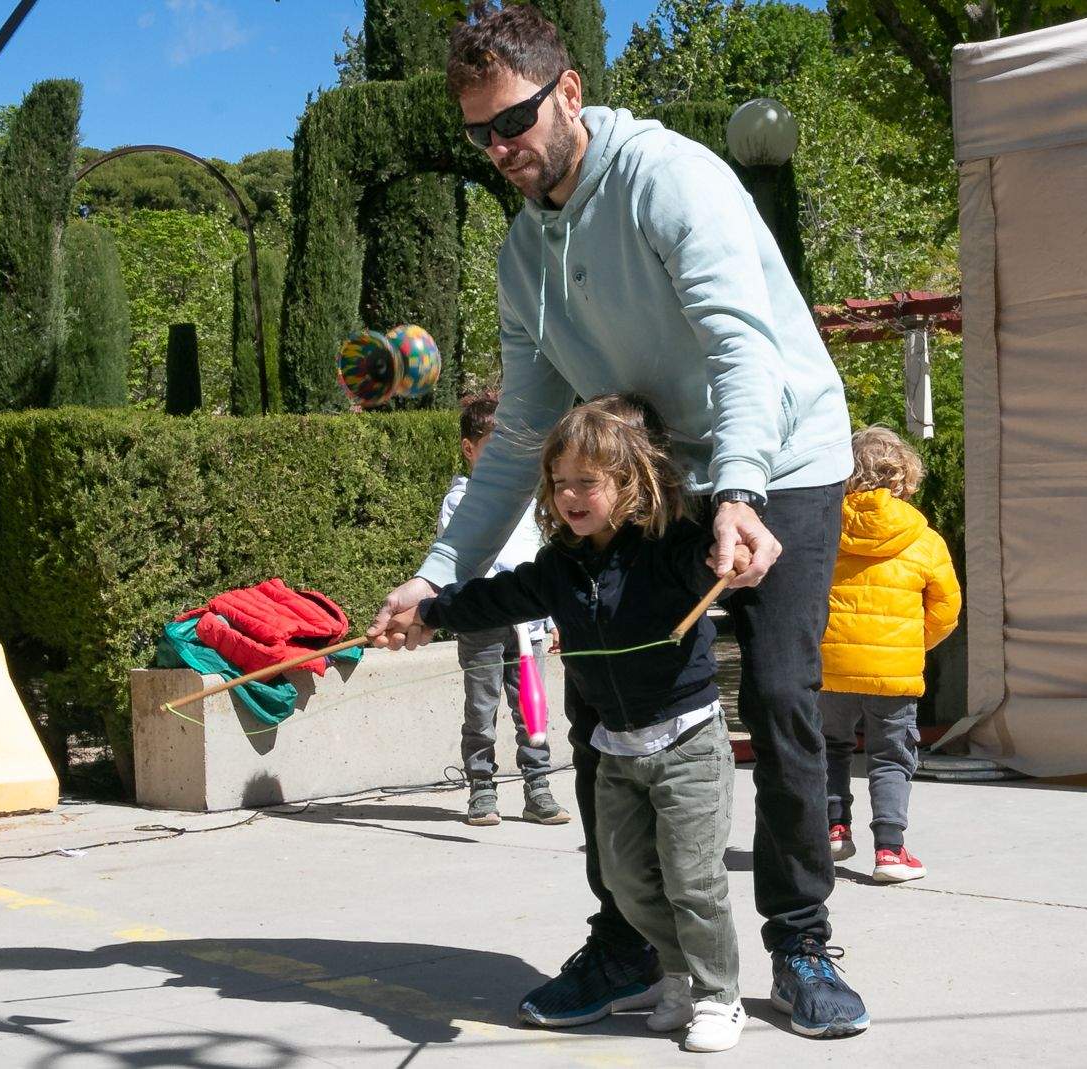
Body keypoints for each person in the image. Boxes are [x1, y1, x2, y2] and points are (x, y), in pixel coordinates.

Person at [368, 4, 868, 1040]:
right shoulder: (521, 260)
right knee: (604, 690)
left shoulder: (667, 179)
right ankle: (627, 938)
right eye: (478, 135)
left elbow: (744, 349)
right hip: (653, 478)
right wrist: (434, 576)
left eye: (512, 123)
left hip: (781, 449)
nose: (499, 150)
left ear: (570, 92)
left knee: (776, 697)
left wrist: (740, 489)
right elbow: (515, 442)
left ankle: (801, 939)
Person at [390, 395, 749, 1052]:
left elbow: (720, 559)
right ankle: (674, 974)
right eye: (560, 483)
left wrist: (738, 553)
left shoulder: (670, 548)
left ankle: (719, 994)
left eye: (588, 481)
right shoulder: (559, 566)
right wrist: (430, 611)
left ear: (629, 483)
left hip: (689, 741)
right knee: (626, 881)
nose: (571, 495)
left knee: (693, 877)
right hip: (617, 748)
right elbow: (493, 597)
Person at [819, 427, 960, 883]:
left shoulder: (824, 530)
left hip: (831, 666)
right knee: (891, 758)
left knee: (829, 747)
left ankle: (833, 829)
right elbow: (946, 610)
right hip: (895, 671)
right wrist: (909, 647)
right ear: (904, 479)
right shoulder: (925, 539)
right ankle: (890, 853)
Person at [438, 391, 568, 827]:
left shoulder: (532, 503)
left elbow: (541, 560)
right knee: (481, 707)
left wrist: (549, 617)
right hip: (482, 621)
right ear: (469, 449)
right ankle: (481, 788)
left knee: (532, 709)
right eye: (492, 449)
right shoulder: (461, 501)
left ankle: (538, 787)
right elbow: (472, 557)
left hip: (527, 624)